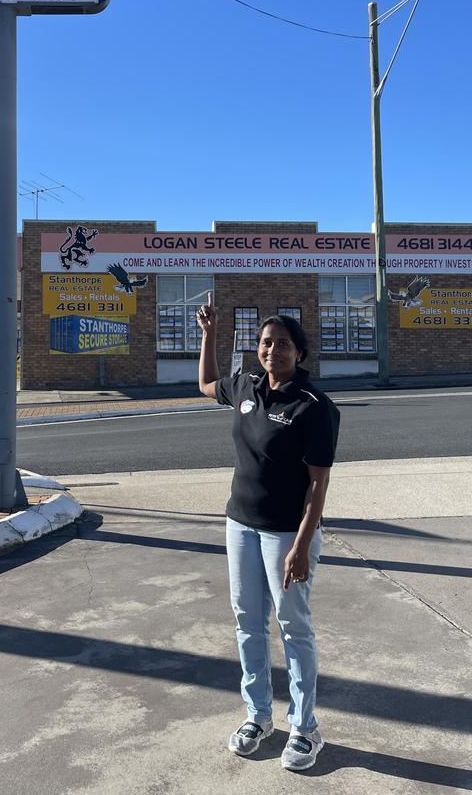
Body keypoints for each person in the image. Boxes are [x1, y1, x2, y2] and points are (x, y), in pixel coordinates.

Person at [196, 297, 340, 771]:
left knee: (293, 626)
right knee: (247, 623)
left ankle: (305, 727)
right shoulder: (245, 386)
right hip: (240, 523)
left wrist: (302, 544)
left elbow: (318, 482)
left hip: (286, 534)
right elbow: (204, 384)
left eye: (282, 344)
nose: (272, 350)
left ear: (299, 352)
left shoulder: (314, 407)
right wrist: (209, 335)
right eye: (265, 343)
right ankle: (259, 716)